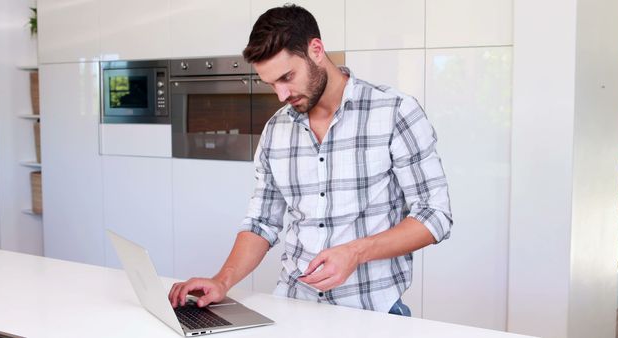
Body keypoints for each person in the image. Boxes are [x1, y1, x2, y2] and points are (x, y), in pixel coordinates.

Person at [168, 4, 452, 317]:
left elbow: (434, 215)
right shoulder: (277, 129)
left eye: (287, 77)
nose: (281, 94)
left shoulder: (395, 112)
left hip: (372, 314)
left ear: (316, 49)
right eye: (272, 83)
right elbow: (262, 222)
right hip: (293, 307)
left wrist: (356, 252)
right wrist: (222, 281)